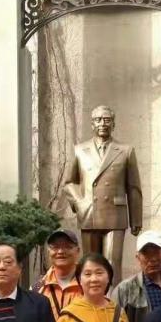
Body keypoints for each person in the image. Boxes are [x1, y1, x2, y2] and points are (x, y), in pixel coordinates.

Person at [62, 104, 143, 282]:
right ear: (92, 124)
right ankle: (90, 297)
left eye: (107, 120)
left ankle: (113, 297)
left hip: (115, 215)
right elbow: (69, 183)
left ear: (113, 124)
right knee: (90, 264)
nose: (102, 124)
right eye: (98, 120)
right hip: (89, 213)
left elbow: (133, 187)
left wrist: (136, 219)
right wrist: (79, 202)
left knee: (112, 264)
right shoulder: (79, 150)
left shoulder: (125, 150)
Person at [110, 229, 161, 322]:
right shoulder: (125, 290)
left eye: (156, 252)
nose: (153, 259)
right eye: (146, 253)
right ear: (138, 257)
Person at [32, 229, 83, 319]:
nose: (60, 251)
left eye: (67, 247)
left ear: (77, 251)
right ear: (49, 252)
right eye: (55, 247)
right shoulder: (38, 287)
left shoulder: (88, 284)